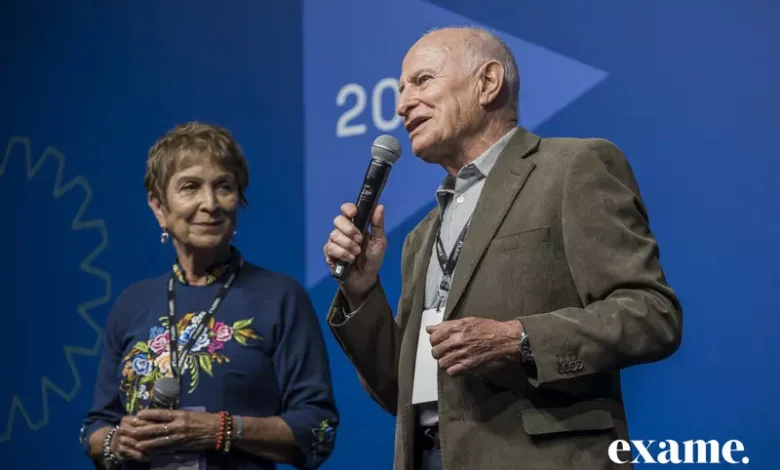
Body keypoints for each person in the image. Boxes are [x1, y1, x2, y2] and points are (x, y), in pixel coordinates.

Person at [322, 26, 682, 470]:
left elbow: (651, 314)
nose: (401, 105)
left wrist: (521, 339)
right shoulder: (420, 236)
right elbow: (401, 390)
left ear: (488, 83)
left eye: (422, 81)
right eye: (399, 90)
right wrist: (361, 291)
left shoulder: (572, 168)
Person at [80, 122, 339, 470]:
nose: (211, 203)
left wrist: (221, 429)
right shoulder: (131, 304)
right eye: (190, 187)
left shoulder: (280, 297)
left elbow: (317, 430)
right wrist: (115, 442)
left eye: (224, 187)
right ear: (159, 207)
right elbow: (96, 426)